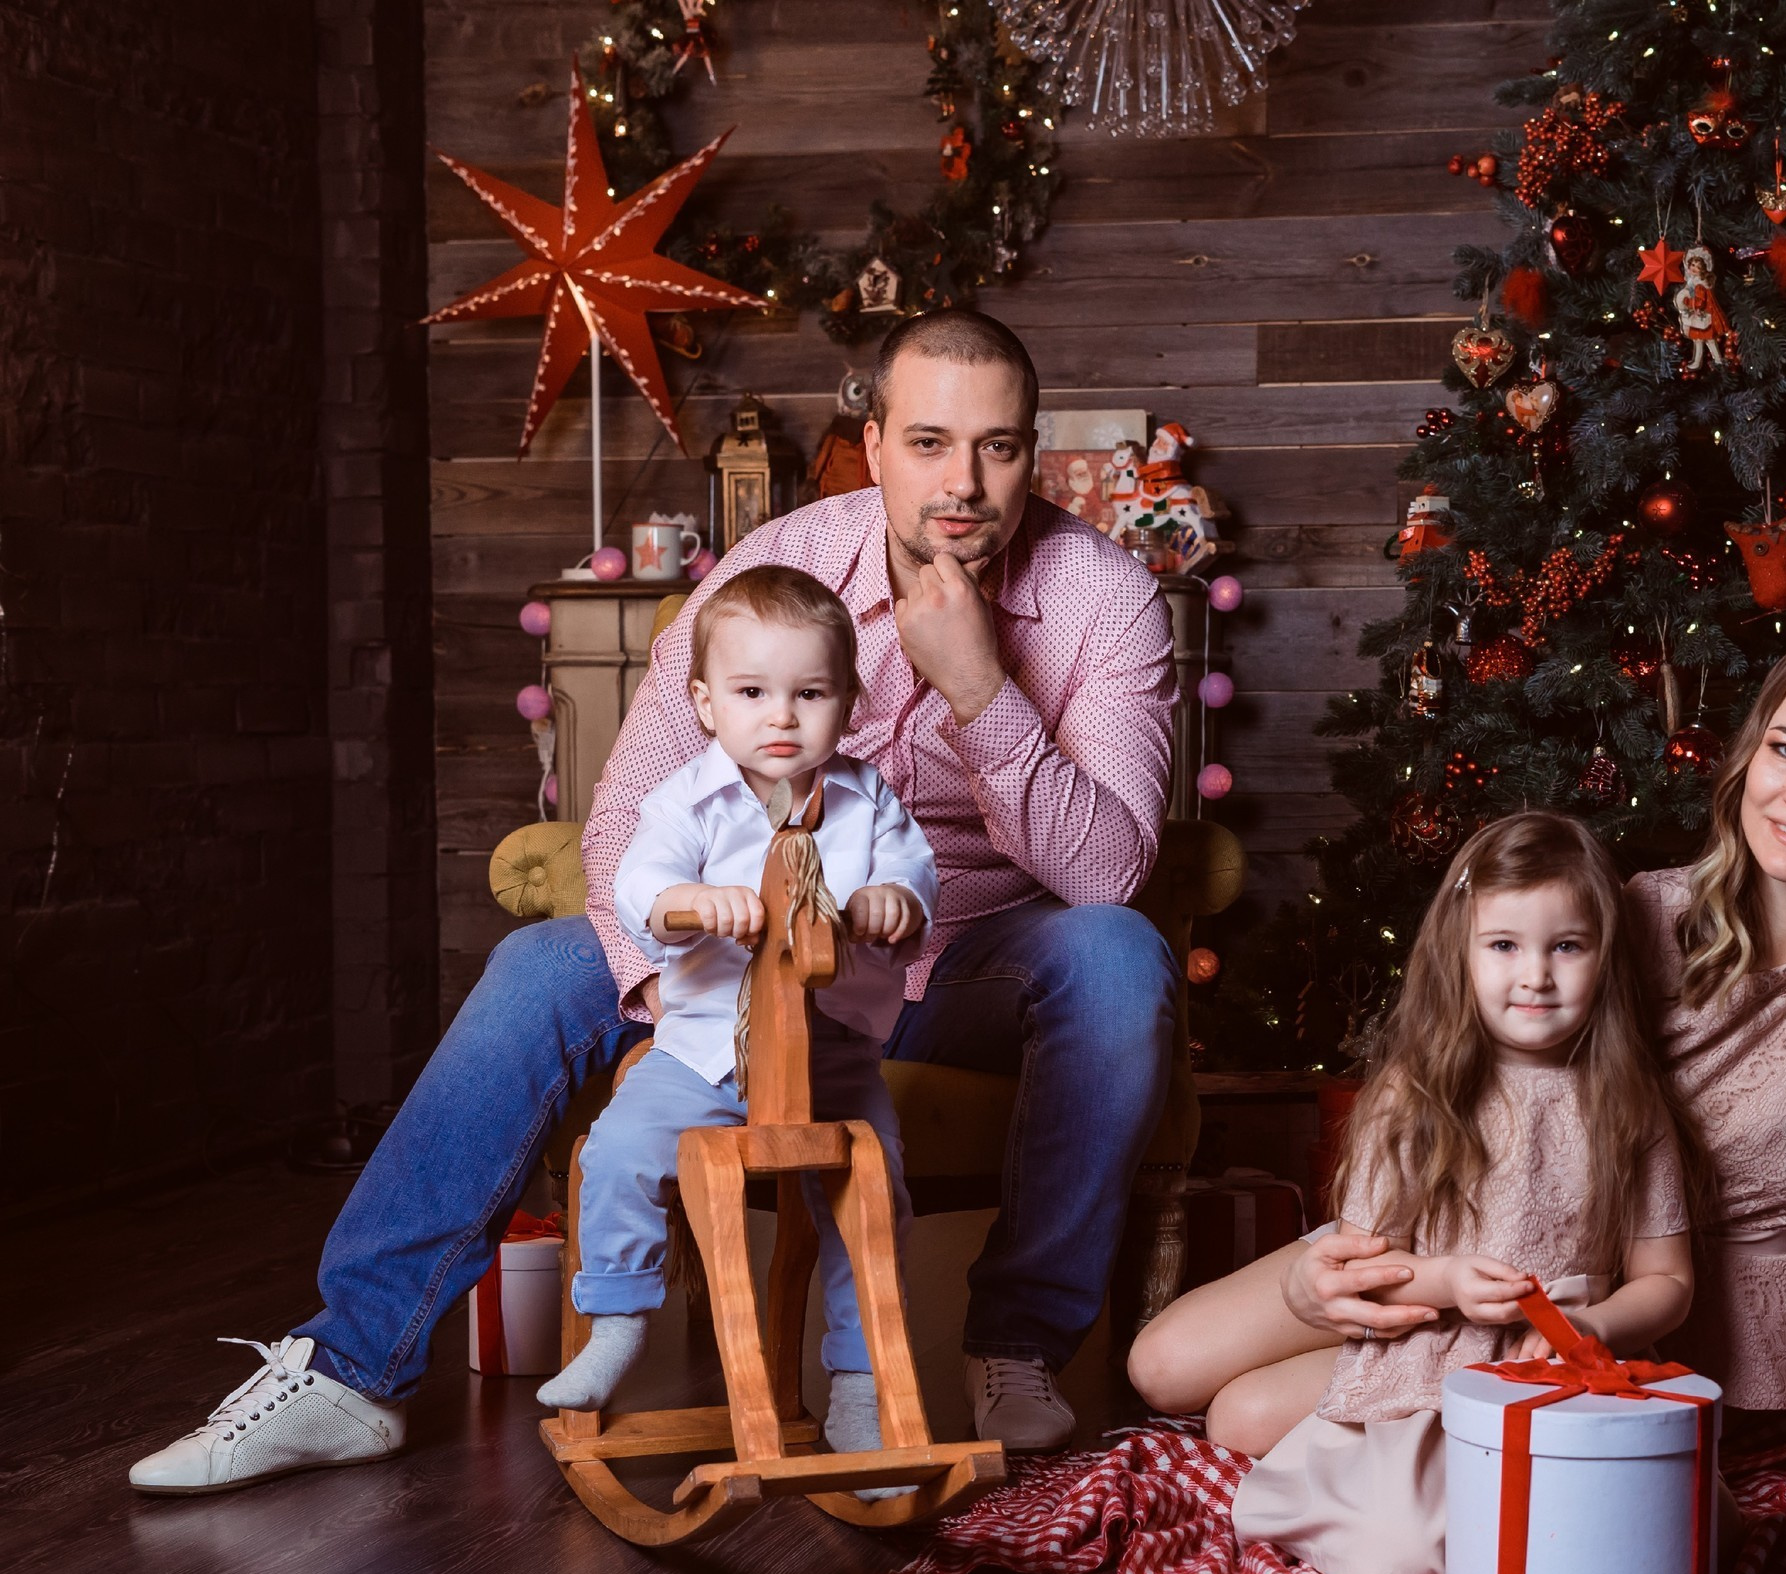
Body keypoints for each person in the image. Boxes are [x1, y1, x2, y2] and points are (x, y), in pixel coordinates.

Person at [132, 309, 1178, 1495]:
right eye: (930, 443)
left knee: (1116, 955)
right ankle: (348, 1369)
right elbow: (628, 809)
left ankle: (1019, 1346)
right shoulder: (774, 571)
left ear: (1032, 454)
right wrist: (710, 1005)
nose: (965, 484)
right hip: (738, 950)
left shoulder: (1103, 600)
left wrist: (981, 685)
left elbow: (1106, 874)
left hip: (958, 955)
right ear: (873, 443)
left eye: (998, 448)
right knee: (538, 968)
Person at [1130, 625, 1786, 1471]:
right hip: (1462, 1220)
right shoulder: (1639, 912)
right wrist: (1337, 1274)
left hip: (1612, 1284)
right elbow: (1457, 1053)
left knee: (1243, 1417)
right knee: (1162, 1366)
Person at [1221, 812, 1700, 1574]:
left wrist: (1596, 1325)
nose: (1536, 975)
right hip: (1429, 1357)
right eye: (1505, 945)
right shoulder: (1412, 1101)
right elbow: (1364, 1268)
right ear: (1461, 952)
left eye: (1566, 946)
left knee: (1651, 1532)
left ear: (1605, 957)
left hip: (1556, 1367)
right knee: (1405, 1550)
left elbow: (1669, 1281)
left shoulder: (1630, 1105)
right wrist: (1443, 1282)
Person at [532, 566, 935, 1474]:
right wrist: (687, 901)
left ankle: (861, 1383)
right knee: (617, 1151)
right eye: (754, 693)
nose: (782, 716)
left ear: (850, 703)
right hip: (706, 1052)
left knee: (875, 1194)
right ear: (707, 703)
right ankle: (619, 1318)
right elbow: (638, 879)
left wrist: (890, 901)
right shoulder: (687, 798)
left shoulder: (870, 801)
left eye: (811, 693)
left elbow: (916, 878)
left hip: (830, 1056)